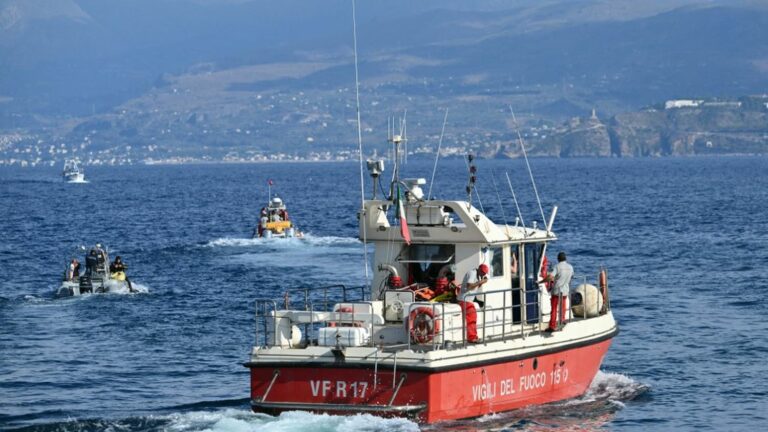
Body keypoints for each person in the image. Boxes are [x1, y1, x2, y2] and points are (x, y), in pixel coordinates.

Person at [457, 264, 489, 343]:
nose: (484, 274)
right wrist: (481, 282)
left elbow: (474, 286)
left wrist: (481, 282)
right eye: (483, 272)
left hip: (467, 300)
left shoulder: (478, 275)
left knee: (473, 317)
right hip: (465, 299)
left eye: (485, 273)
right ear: (479, 269)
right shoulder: (472, 273)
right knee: (472, 317)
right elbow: (469, 286)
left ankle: (472, 336)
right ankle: (472, 337)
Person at [545, 251, 574, 332]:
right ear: (565, 258)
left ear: (558, 259)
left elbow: (551, 276)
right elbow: (571, 276)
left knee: (554, 309)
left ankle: (552, 326)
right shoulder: (570, 267)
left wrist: (542, 281)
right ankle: (562, 320)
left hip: (556, 291)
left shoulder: (557, 266)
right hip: (565, 291)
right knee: (563, 307)